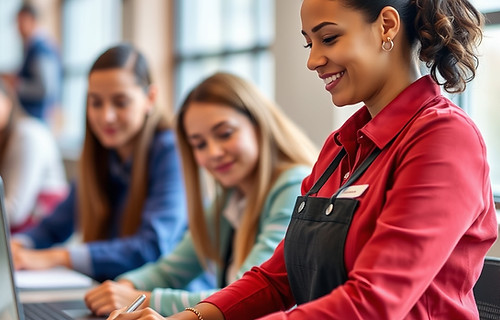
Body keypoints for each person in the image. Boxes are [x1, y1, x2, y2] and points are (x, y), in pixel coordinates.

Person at [107, 0, 498, 319]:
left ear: (387, 26)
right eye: (309, 44)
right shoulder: (339, 147)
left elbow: (374, 302)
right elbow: (278, 279)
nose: (313, 60)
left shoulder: (444, 138)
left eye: (328, 38)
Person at [84, 72, 318, 316]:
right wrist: (126, 286)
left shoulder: (294, 185)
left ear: (259, 125)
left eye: (225, 134)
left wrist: (144, 300)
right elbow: (170, 269)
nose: (214, 152)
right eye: (199, 144)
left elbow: (246, 295)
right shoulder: (232, 195)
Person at [10, 43, 189, 283]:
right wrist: (17, 246)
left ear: (150, 97)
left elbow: (152, 246)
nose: (106, 116)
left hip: (168, 304)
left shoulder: (170, 150)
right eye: (96, 102)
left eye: (120, 102)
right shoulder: (102, 153)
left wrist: (58, 257)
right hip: (110, 292)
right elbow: (56, 225)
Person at [0, 78, 67, 233]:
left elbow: (14, 212)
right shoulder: (6, 137)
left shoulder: (28, 134)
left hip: (42, 233)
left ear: (9, 101)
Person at [1, 3, 62, 121]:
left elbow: (44, 88)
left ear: (32, 20)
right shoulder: (32, 47)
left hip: (36, 117)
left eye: (21, 22)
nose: (18, 28)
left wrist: (15, 85)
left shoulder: (41, 49)